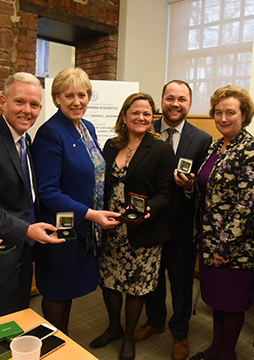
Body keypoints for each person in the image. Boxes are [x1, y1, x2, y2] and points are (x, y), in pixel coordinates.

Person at [31, 67, 121, 334]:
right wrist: (92, 214)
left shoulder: (87, 127)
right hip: (62, 230)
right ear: (56, 97)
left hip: (84, 228)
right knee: (57, 291)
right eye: (68, 95)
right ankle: (57, 343)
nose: (77, 101)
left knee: (68, 290)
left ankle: (63, 340)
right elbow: (47, 191)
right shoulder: (50, 132)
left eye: (82, 95)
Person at [0, 72, 65, 319]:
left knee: (20, 316)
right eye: (19, 102)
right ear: (3, 102)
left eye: (34, 105)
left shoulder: (25, 139)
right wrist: (26, 229)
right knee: (1, 326)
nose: (27, 111)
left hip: (24, 250)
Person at [182, 85, 254, 360]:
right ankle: (215, 348)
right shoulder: (216, 146)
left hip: (235, 245)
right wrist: (189, 185)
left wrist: (224, 247)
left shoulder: (252, 149)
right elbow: (207, 189)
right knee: (217, 300)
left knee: (231, 303)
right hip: (209, 239)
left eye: (230, 112)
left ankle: (226, 354)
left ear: (244, 115)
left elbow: (247, 204)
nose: (223, 118)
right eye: (218, 112)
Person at [90, 92, 175, 360]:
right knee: (110, 281)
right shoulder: (110, 145)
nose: (141, 117)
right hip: (111, 228)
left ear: (152, 119)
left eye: (147, 114)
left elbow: (165, 193)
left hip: (143, 230)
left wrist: (149, 210)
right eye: (135, 112)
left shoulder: (160, 149)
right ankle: (114, 327)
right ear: (124, 116)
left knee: (136, 286)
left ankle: (129, 336)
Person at [135, 80, 212, 360]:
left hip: (181, 226)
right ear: (161, 102)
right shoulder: (144, 130)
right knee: (152, 280)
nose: (175, 104)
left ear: (190, 104)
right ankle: (155, 321)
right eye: (170, 98)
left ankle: (180, 333)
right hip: (149, 221)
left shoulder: (202, 139)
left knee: (180, 284)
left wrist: (189, 186)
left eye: (181, 99)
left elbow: (205, 184)